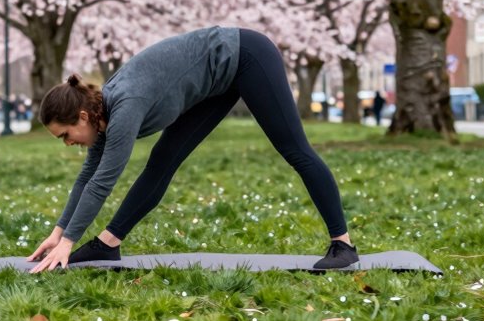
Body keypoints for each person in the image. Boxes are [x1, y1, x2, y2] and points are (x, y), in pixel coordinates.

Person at [27, 26, 357, 273]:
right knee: (162, 160)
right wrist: (58, 234)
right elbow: (88, 175)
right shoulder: (101, 113)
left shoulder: (124, 106)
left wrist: (70, 242)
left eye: (66, 134)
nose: (68, 143)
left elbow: (103, 182)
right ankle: (107, 244)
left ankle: (343, 244)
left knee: (294, 149)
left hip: (247, 55)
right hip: (215, 83)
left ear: (82, 116)